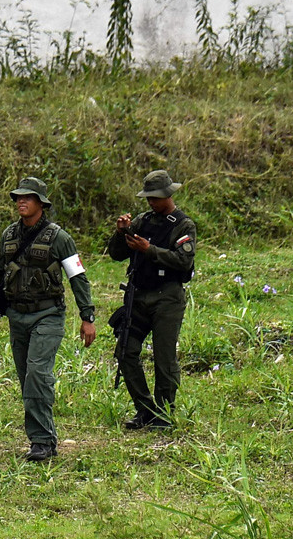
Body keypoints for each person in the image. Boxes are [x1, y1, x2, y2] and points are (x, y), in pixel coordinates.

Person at [0, 177, 96, 461]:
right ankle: (43, 439)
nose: (22, 201)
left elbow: (78, 277)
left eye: (28, 197)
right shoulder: (9, 235)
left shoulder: (59, 238)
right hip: (17, 316)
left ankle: (42, 441)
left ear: (41, 203)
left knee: (37, 375)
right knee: (26, 378)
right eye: (18, 197)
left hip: (48, 315)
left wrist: (87, 316)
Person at [108, 170, 196, 429]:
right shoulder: (142, 221)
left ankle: (165, 414)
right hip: (138, 295)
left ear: (168, 194)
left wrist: (150, 250)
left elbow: (183, 261)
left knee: (164, 358)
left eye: (155, 197)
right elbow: (116, 254)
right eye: (148, 198)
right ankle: (145, 410)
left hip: (167, 297)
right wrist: (121, 233)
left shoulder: (183, 225)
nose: (151, 202)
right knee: (125, 351)